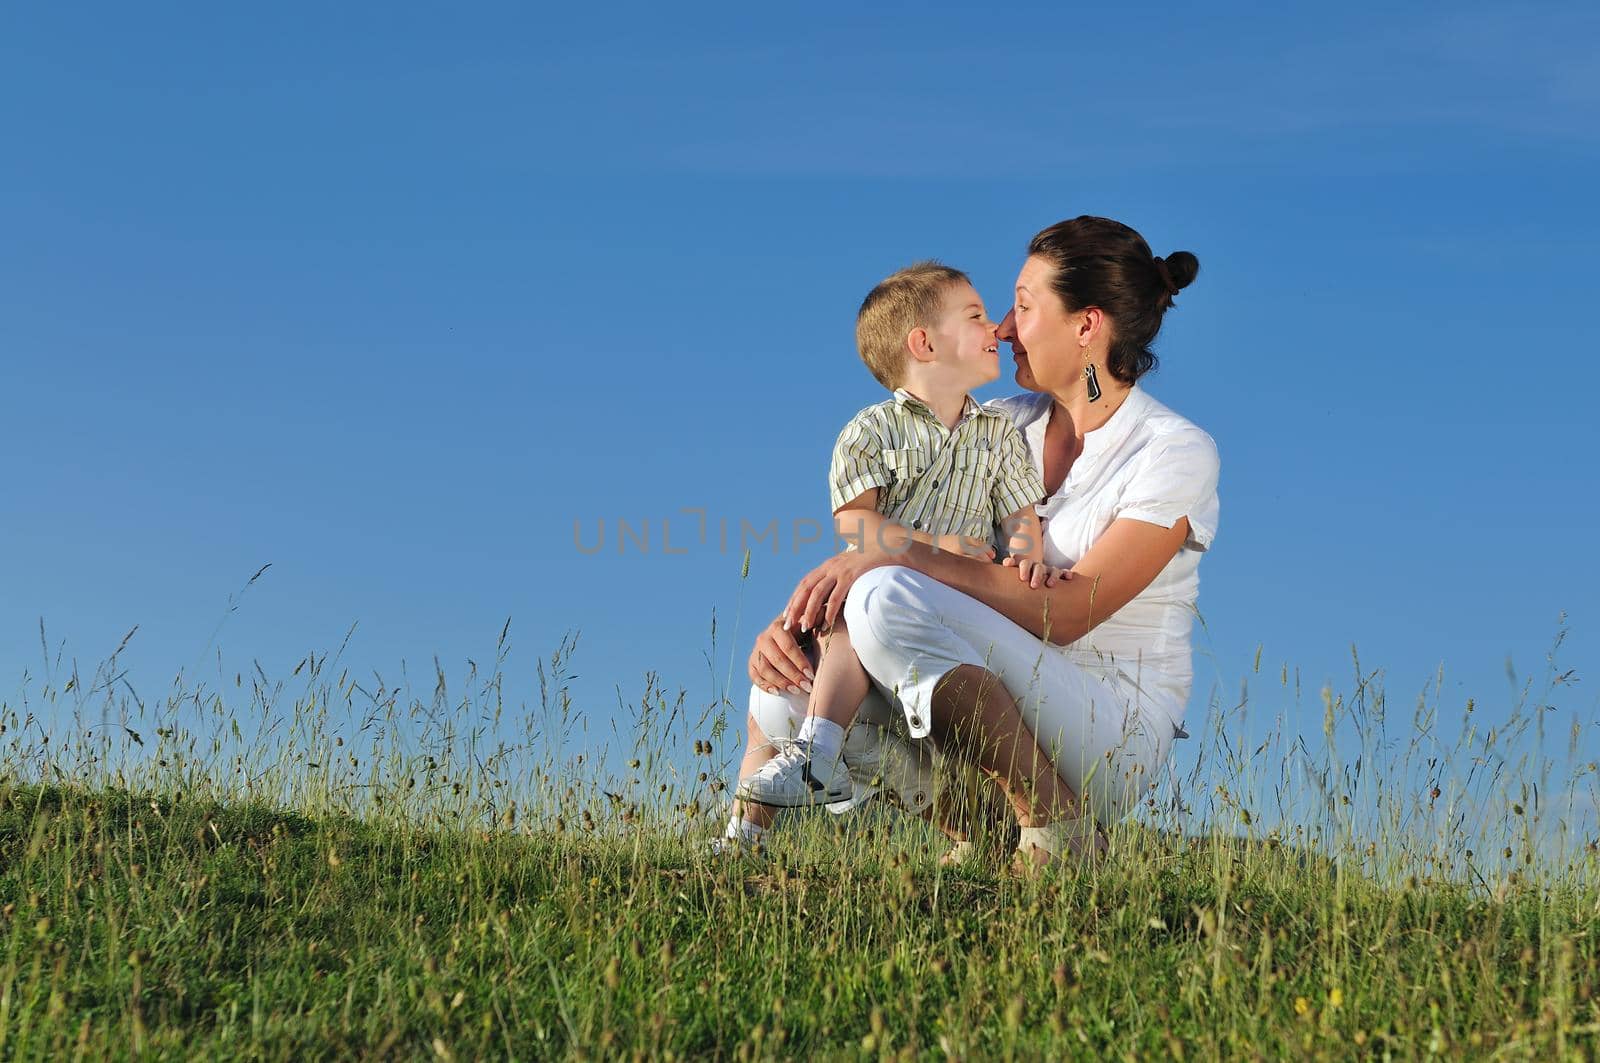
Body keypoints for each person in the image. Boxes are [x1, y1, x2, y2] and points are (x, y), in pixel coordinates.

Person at [729, 215, 1220, 866]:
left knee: (881, 597)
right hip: (993, 681)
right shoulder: (997, 426)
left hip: (1104, 724)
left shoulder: (1174, 451)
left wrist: (884, 560)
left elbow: (1068, 612)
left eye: (1023, 306)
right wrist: (805, 621)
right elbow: (912, 540)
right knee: (788, 693)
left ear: (1086, 326)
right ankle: (977, 836)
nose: (1004, 329)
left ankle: (1058, 824)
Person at [734, 261, 1065, 811]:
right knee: (771, 697)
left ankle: (821, 756)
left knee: (871, 594)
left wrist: (1030, 561)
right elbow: (854, 523)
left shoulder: (999, 434)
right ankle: (749, 827)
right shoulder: (871, 430)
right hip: (876, 587)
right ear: (925, 344)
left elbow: (1019, 520)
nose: (996, 330)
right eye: (977, 316)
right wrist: (938, 546)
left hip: (953, 598)